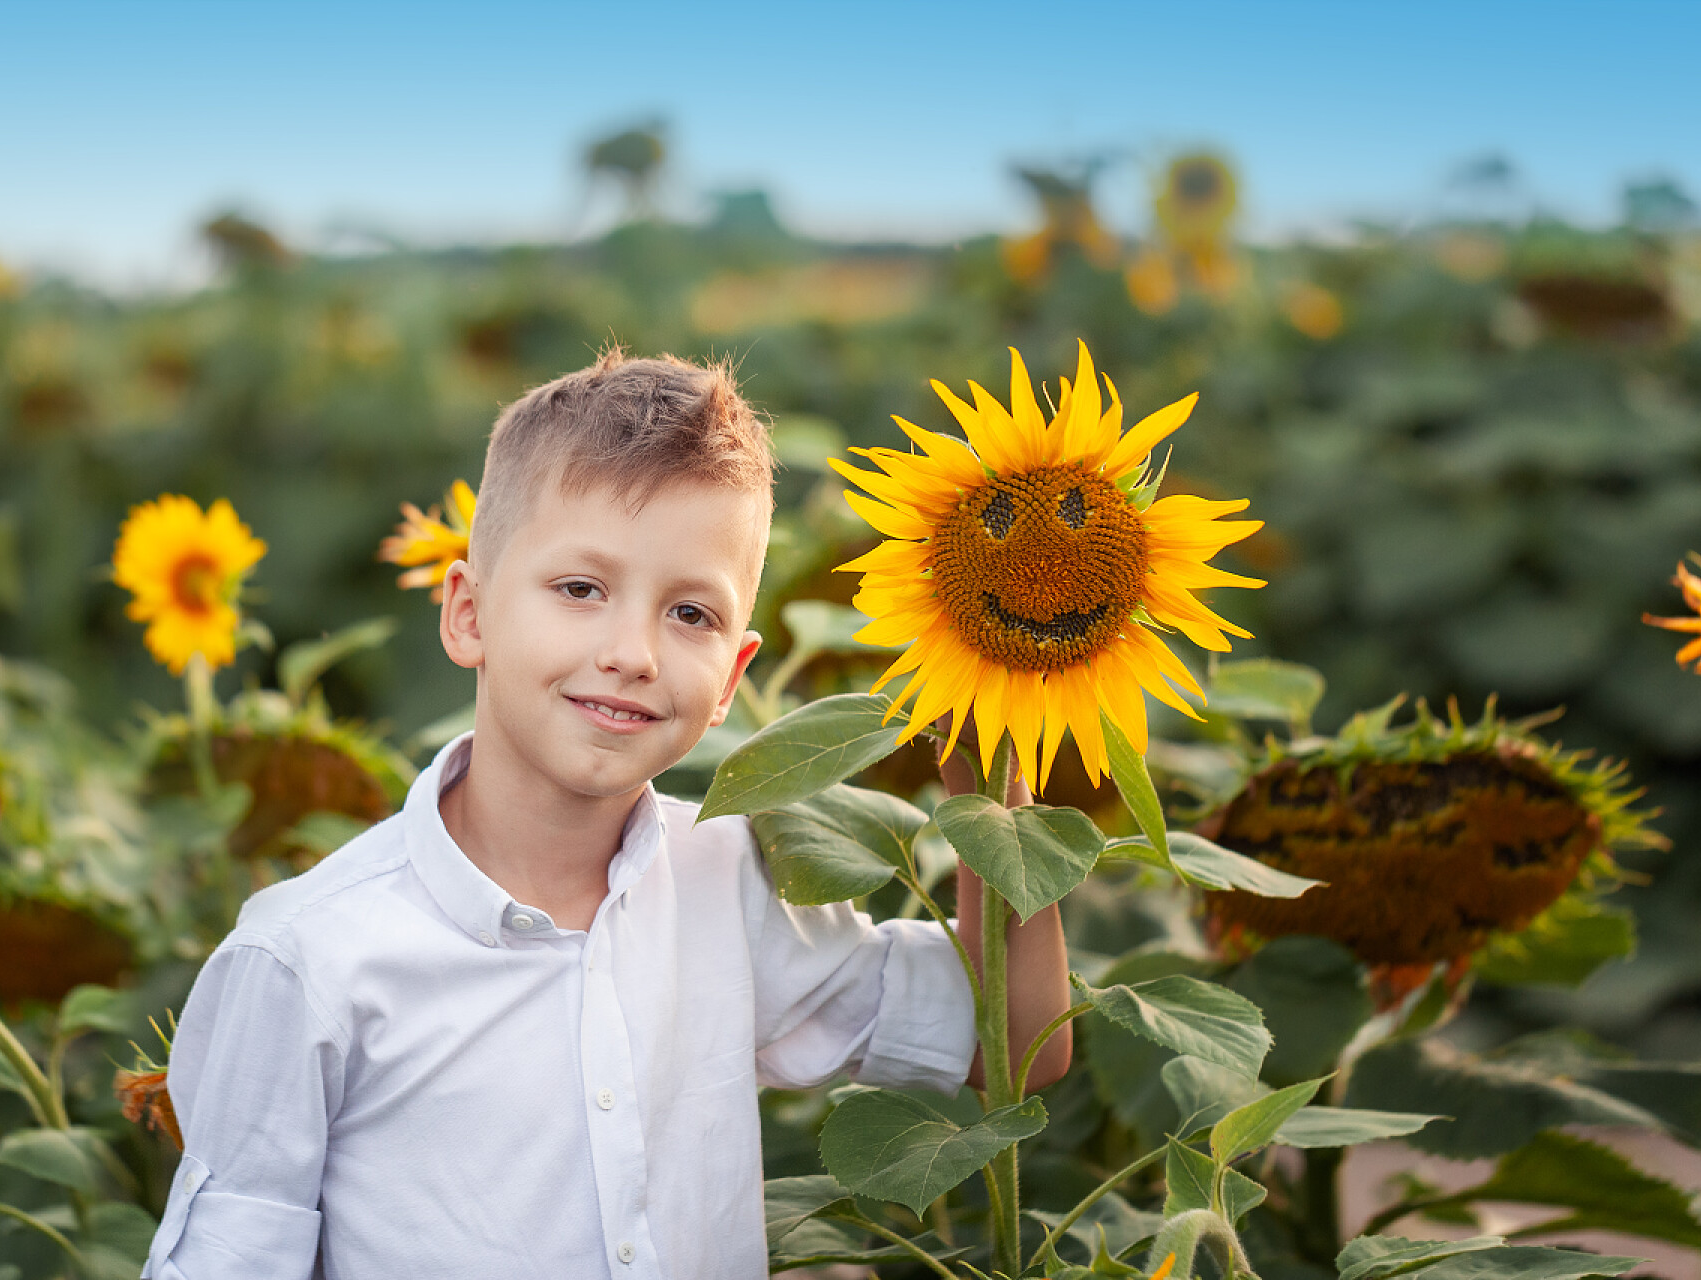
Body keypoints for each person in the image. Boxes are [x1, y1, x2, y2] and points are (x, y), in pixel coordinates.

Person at [142, 349, 1071, 1279]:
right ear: (467, 613)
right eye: (581, 589)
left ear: (731, 684)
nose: (632, 653)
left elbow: (1017, 1047)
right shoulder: (308, 960)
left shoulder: (731, 882)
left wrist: (993, 793)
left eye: (692, 615)